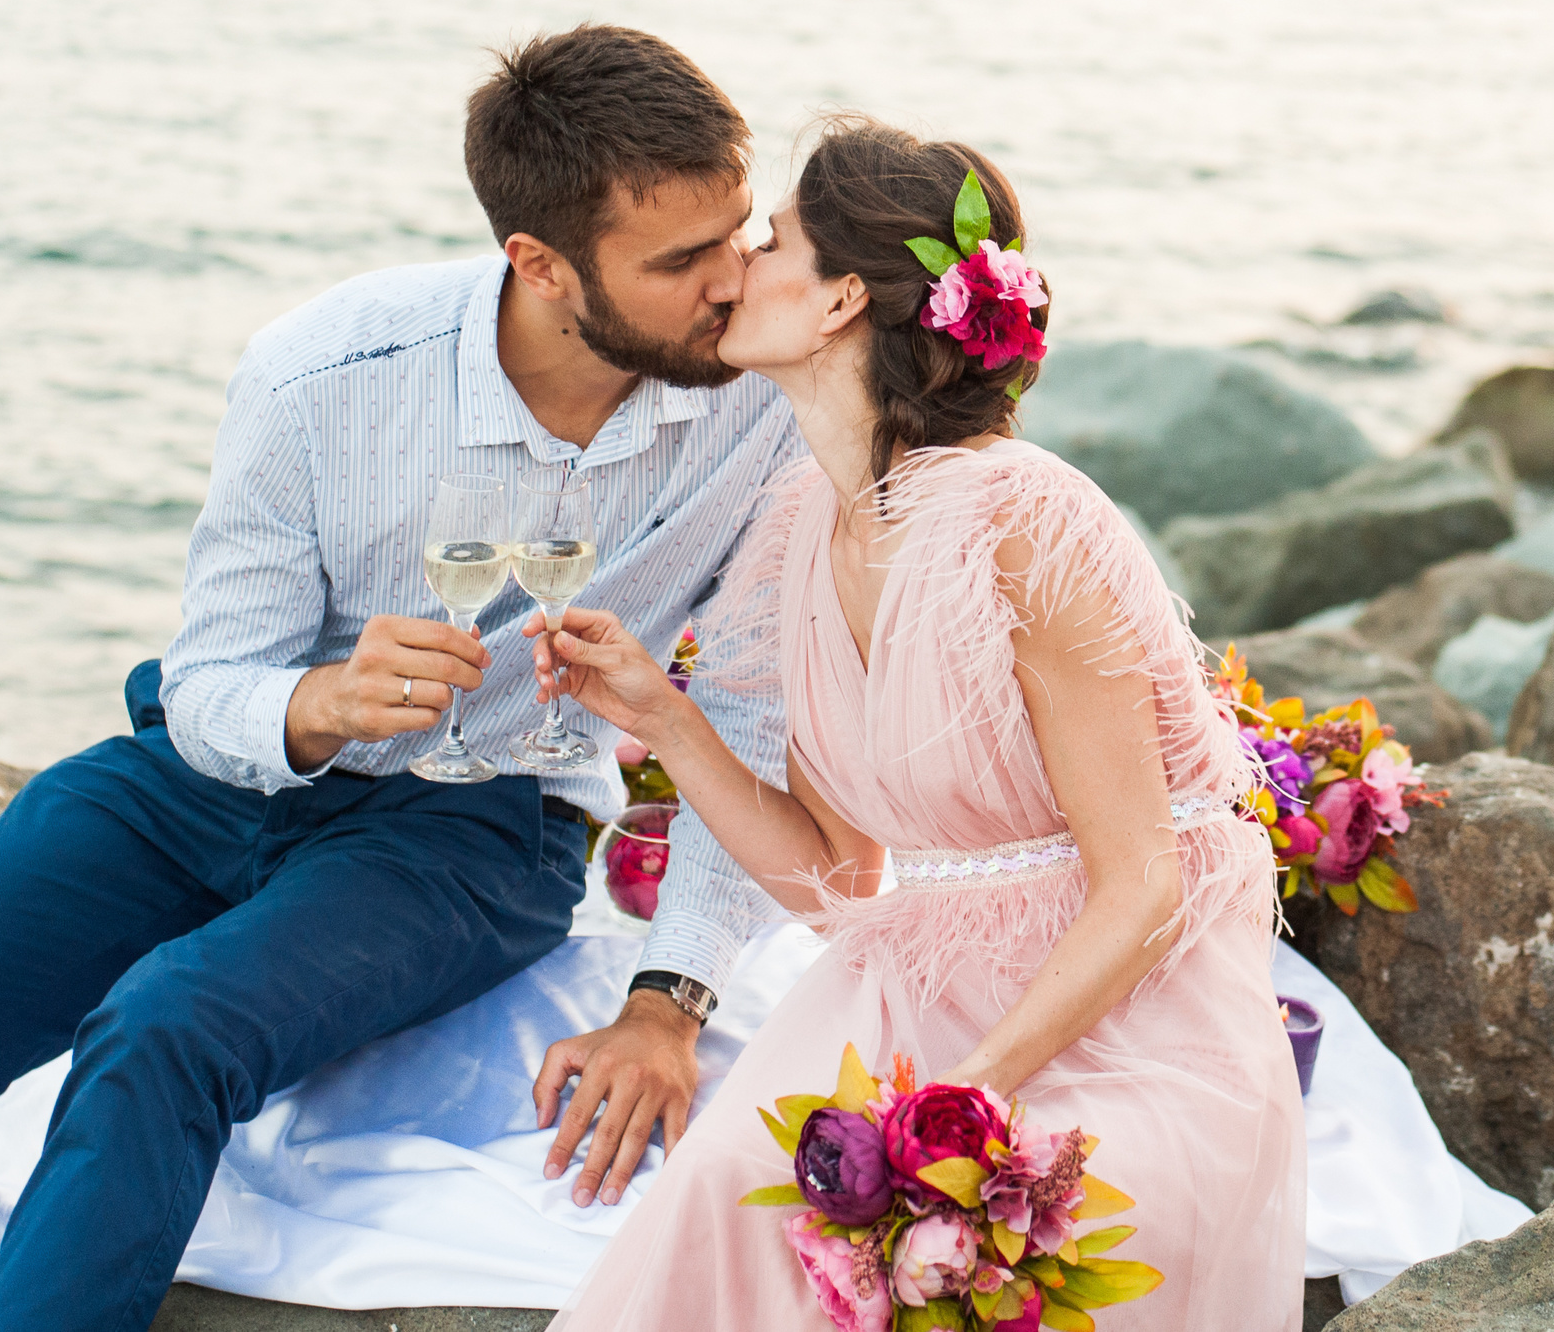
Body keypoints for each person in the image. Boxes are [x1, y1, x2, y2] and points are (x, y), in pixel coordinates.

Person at [0, 26, 804, 1332]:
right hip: (208, 777)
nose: (733, 282)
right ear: (540, 264)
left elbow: (750, 720)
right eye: (684, 259)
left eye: (740, 232)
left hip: (477, 824)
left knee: (166, 1028)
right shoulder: (322, 374)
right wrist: (315, 701)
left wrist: (667, 1001)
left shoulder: (767, 407)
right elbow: (215, 672)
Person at [531, 120, 1306, 1329]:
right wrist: (663, 718)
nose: (734, 267)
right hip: (919, 976)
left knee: (963, 1239)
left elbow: (1142, 884)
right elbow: (841, 874)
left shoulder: (1025, 521)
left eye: (768, 239)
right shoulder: (800, 528)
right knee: (736, 1189)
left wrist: (958, 1104)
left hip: (1131, 1010)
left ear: (842, 295)